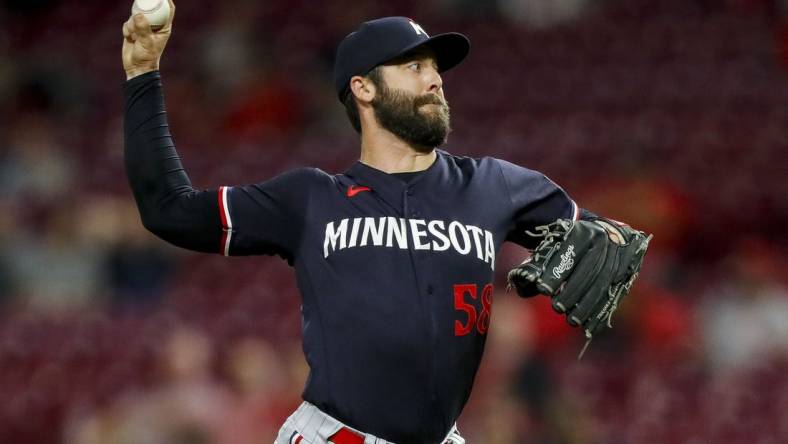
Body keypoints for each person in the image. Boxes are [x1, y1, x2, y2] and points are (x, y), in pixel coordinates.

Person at [121, 3, 613, 443]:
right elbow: (171, 211)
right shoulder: (311, 199)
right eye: (414, 66)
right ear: (363, 88)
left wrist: (602, 249)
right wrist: (143, 70)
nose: (435, 79)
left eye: (436, 68)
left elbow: (608, 250)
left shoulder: (495, 186)